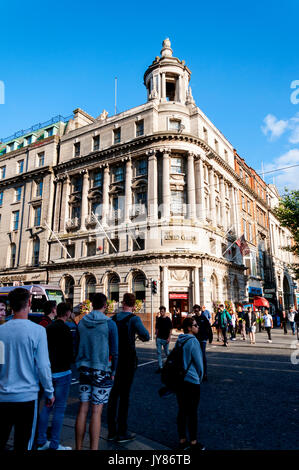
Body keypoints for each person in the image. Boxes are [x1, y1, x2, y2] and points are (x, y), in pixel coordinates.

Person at [0, 287, 54, 452]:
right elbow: (43, 366)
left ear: (11, 306)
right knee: (23, 444)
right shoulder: (38, 331)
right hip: (27, 397)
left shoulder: (1, 331)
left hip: (3, 396)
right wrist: (49, 391)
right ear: (29, 303)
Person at [75, 293, 118, 451]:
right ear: (105, 305)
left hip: (84, 368)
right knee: (96, 410)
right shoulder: (109, 323)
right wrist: (113, 370)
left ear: (91, 304)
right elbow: (115, 351)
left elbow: (77, 345)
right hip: (101, 369)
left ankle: (78, 448)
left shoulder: (82, 322)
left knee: (82, 408)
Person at [107, 293, 150, 443]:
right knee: (124, 396)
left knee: (113, 395)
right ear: (133, 305)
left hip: (114, 360)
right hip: (128, 360)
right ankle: (122, 431)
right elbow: (146, 335)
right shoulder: (134, 319)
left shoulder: (112, 318)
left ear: (122, 302)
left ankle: (111, 431)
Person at [36, 302, 74, 451]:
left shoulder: (48, 328)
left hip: (49, 372)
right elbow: (72, 354)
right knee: (59, 409)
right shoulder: (67, 329)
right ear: (68, 313)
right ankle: (54, 444)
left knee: (46, 407)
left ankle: (41, 440)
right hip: (63, 372)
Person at [175, 317, 205, 450]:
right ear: (189, 328)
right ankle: (193, 442)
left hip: (180, 380)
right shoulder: (194, 342)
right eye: (195, 325)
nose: (197, 326)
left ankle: (182, 440)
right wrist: (200, 377)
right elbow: (199, 364)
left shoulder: (179, 340)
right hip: (191, 381)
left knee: (182, 410)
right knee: (192, 412)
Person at [192, 305, 213, 381]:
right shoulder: (193, 318)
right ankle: (197, 372)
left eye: (197, 311)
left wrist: (210, 337)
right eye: (195, 311)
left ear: (200, 310)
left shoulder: (203, 317)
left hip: (203, 339)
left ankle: (205, 373)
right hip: (195, 339)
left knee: (203, 356)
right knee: (195, 356)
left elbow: (209, 327)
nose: (196, 312)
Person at [155, 306, 173, 373]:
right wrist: (156, 337)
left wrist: (169, 338)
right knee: (159, 353)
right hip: (159, 338)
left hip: (166, 339)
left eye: (162, 311)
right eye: (160, 312)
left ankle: (171, 364)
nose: (161, 313)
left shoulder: (168, 319)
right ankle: (160, 367)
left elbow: (170, 329)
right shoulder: (159, 319)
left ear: (165, 312)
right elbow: (157, 329)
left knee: (167, 352)